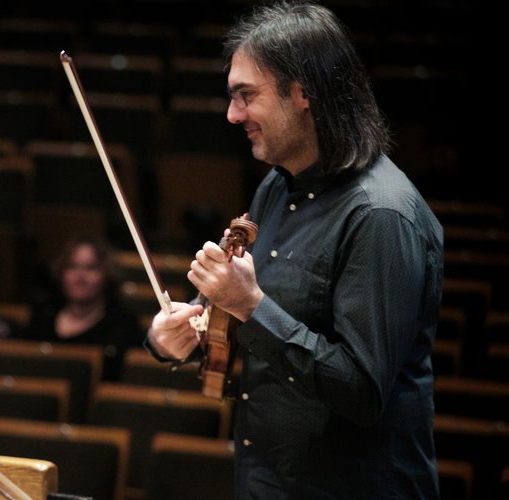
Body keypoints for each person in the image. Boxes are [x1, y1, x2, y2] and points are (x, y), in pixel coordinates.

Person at [144, 2, 443, 498]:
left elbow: (363, 391)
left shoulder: (382, 215)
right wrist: (181, 329)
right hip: (268, 480)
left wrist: (250, 307)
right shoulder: (276, 188)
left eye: (246, 96)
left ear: (302, 93)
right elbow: (246, 313)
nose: (232, 114)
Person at [19, 233, 144, 381]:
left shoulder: (124, 328)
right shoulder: (40, 321)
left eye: (91, 268)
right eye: (72, 267)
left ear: (107, 274)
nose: (80, 276)